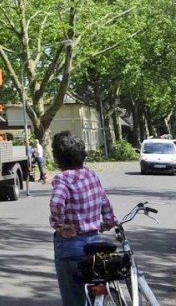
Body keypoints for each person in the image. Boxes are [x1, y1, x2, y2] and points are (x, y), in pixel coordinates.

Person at [49, 131, 117, 306]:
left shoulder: (62, 179)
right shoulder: (91, 175)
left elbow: (56, 203)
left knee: (74, 298)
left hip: (70, 246)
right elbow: (105, 202)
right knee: (96, 296)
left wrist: (59, 225)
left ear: (57, 158)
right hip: (94, 242)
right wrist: (108, 222)